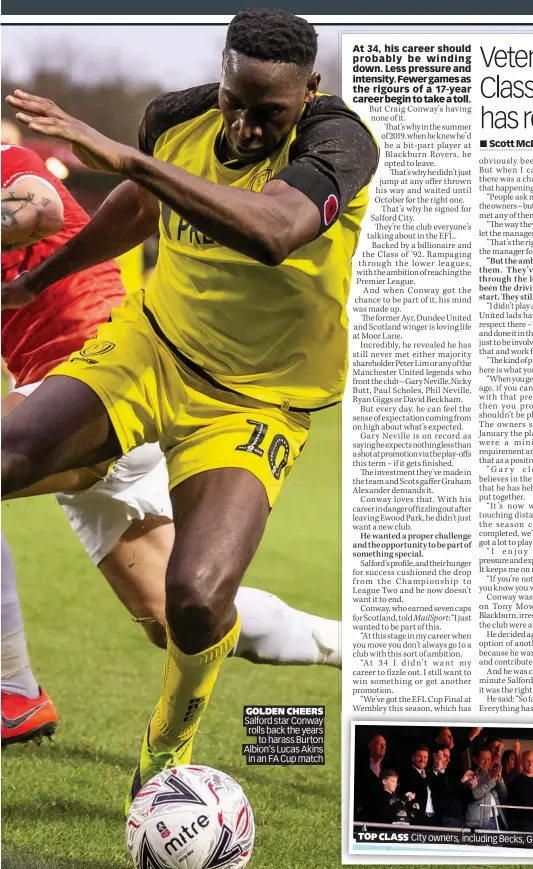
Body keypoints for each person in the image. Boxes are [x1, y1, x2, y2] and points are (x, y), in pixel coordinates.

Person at [2, 8, 378, 811]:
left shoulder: (340, 144)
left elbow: (274, 231)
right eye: (232, 100)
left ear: (308, 91)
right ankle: (13, 689)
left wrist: (130, 159)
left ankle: (169, 739)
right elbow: (136, 210)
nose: (243, 126)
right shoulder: (179, 117)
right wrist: (37, 280)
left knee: (195, 599)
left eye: (267, 113)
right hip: (149, 348)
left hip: (256, 400)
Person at [1, 137, 343, 741]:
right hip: (56, 414)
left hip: (102, 386)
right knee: (176, 618)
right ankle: (358, 647)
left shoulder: (9, 162)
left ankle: (14, 690)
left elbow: (42, 210)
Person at [464, 747, 507, 830]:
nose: (487, 762)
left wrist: (499, 779)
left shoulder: (491, 775)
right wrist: (493, 779)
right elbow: (476, 794)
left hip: (496, 818)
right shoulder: (470, 774)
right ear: (475, 759)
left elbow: (504, 794)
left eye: (489, 759)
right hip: (480, 822)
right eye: (483, 759)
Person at [507, 751, 533, 832]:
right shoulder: (516, 781)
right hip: (527, 823)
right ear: (522, 762)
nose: (531, 764)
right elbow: (528, 801)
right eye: (527, 761)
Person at [398, 746, 436, 826]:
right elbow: (417, 787)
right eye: (419, 756)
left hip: (432, 819)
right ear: (412, 758)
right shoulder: (407, 774)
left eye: (425, 757)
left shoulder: (429, 774)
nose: (423, 760)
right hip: (416, 819)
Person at [354, 733, 386, 821]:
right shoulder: (359, 765)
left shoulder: (390, 765)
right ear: (370, 746)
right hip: (365, 814)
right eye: (379, 744)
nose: (383, 747)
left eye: (385, 744)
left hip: (384, 813)